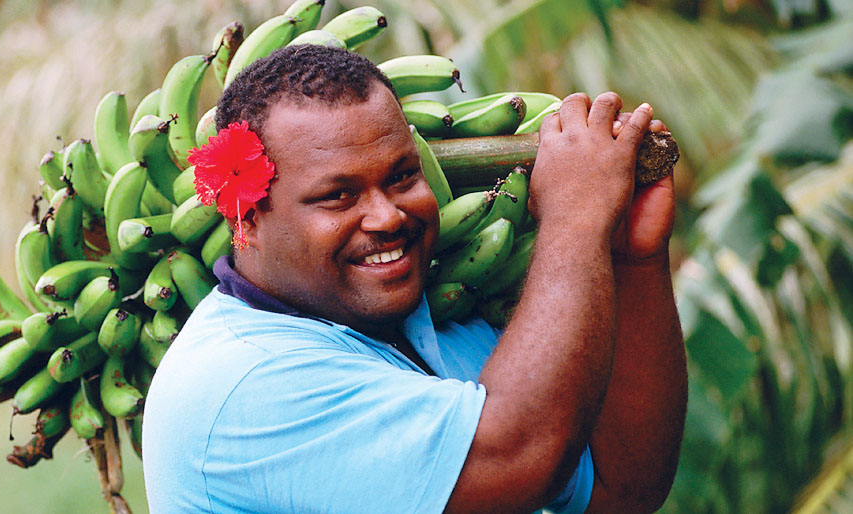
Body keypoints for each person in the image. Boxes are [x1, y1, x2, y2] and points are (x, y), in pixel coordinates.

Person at [142, 44, 687, 514]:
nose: (387, 216)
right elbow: (519, 458)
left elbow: (620, 491)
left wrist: (634, 259)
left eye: (403, 176)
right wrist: (574, 218)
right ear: (247, 217)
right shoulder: (240, 384)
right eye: (338, 195)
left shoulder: (431, 324)